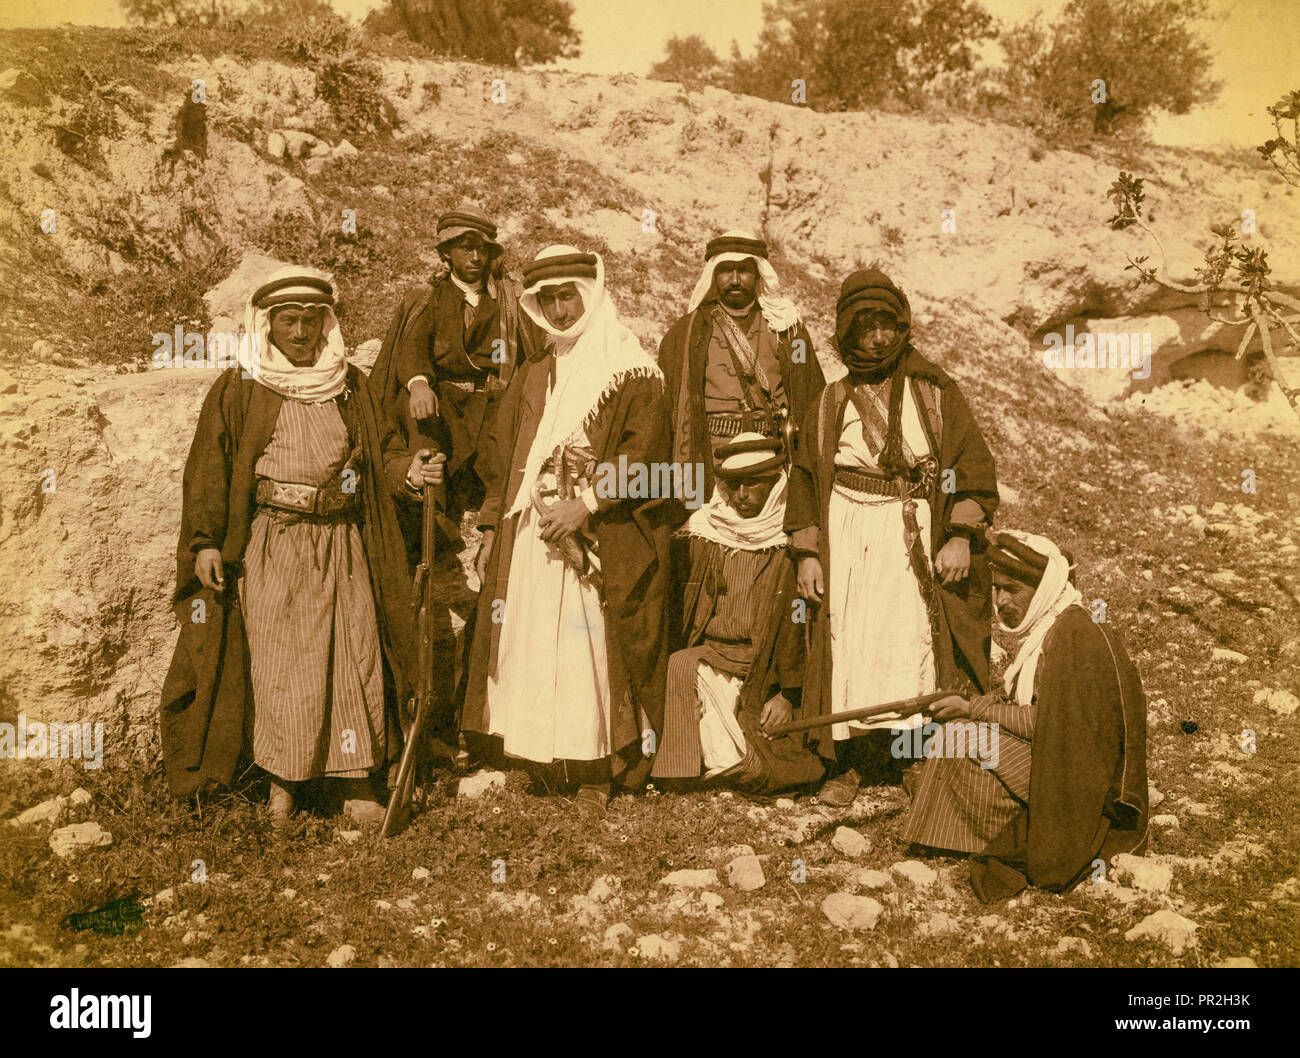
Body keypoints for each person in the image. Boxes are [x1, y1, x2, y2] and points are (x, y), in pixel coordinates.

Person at [160, 266, 446, 824]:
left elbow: (381, 452)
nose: (299, 332)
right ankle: (283, 785)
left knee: (352, 653)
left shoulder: (350, 385)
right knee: (281, 663)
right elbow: (209, 471)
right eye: (288, 321)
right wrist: (204, 542)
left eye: (310, 320)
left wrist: (408, 473)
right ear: (267, 324)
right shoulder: (242, 386)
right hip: (273, 544)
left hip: (342, 542)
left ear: (325, 323)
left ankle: (353, 782)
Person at [462, 247, 674, 816]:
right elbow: (502, 455)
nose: (559, 309)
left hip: (600, 533)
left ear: (591, 292)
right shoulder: (536, 371)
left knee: (586, 647)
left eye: (568, 295)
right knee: (534, 639)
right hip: (534, 530)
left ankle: (594, 766)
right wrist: (490, 526)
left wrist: (586, 505)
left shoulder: (632, 368)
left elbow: (648, 453)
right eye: (548, 298)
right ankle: (539, 754)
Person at [786, 269, 999, 807]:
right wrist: (807, 552)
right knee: (852, 643)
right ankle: (853, 764)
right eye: (866, 327)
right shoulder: (831, 401)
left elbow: (970, 470)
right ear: (847, 334)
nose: (878, 338)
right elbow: (806, 479)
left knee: (909, 643)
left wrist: (959, 536)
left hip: (912, 532)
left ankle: (907, 758)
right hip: (848, 528)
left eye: (887, 325)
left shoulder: (935, 392)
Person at [901, 530, 1150, 902]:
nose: (1000, 601)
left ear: (1045, 588)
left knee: (960, 737)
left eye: (1011, 589)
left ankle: (1010, 832)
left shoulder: (1070, 636)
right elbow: (1033, 707)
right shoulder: (1052, 627)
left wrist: (973, 708)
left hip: (1073, 778)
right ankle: (964, 829)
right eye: (996, 589)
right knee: (956, 735)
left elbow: (1045, 725)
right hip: (1051, 756)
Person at [370, 205, 536, 741]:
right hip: (440, 415)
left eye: (480, 247)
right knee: (426, 465)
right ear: (445, 254)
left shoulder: (509, 306)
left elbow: (530, 360)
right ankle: (432, 543)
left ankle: (490, 532)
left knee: (502, 476)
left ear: (491, 253)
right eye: (462, 247)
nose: (472, 255)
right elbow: (409, 352)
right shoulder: (427, 301)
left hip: (491, 413)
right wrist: (419, 383)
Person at [652, 433, 824, 796]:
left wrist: (787, 695)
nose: (741, 495)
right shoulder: (705, 530)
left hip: (762, 668)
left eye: (753, 484)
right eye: (734, 485)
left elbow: (800, 629)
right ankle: (684, 771)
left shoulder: (790, 544)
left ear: (775, 483)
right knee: (681, 665)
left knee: (760, 757)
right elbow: (680, 613)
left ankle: (732, 762)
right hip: (713, 656)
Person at [658, 230, 824, 497]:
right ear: (714, 275)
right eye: (726, 270)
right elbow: (668, 407)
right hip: (711, 455)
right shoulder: (686, 333)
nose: (735, 280)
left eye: (744, 270)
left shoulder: (789, 331)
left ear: (758, 274)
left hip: (771, 454)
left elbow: (808, 387)